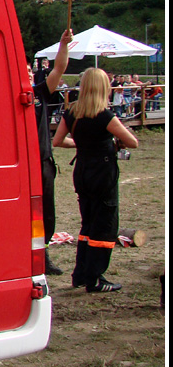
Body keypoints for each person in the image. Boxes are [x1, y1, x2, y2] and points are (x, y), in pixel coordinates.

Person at [52, 68, 139, 293]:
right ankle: (95, 277)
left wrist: (81, 144)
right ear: (103, 88)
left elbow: (58, 140)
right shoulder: (104, 116)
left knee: (87, 224)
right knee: (104, 226)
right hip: (102, 174)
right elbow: (132, 142)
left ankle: (80, 273)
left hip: (82, 172)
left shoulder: (72, 113)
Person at [31, 29, 74, 276]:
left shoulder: (40, 93)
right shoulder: (6, 94)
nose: (26, 73)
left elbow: (59, 69)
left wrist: (63, 45)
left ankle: (43, 255)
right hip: (21, 164)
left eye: (29, 71)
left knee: (45, 211)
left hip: (43, 161)